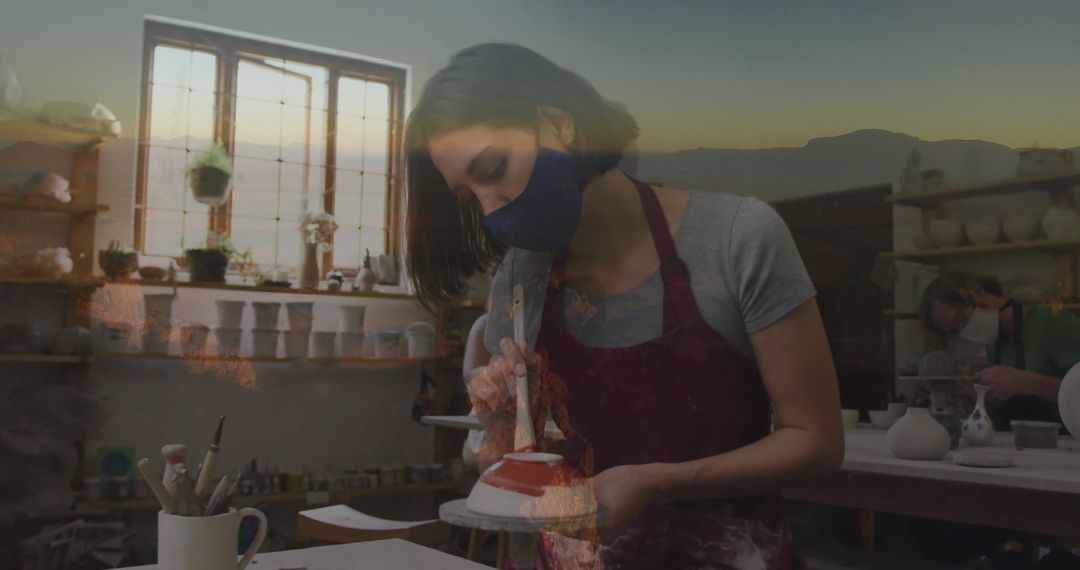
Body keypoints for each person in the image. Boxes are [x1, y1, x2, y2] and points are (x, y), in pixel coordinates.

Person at [404, 43, 843, 569]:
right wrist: (500, 428)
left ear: (557, 124)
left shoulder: (737, 239)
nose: (490, 207)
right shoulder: (519, 283)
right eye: (468, 196)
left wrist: (656, 481)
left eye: (494, 167)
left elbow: (816, 442)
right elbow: (511, 483)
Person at [920, 272, 1080, 430]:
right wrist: (975, 397)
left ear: (976, 292)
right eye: (955, 331)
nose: (963, 331)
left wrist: (1026, 383)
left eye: (958, 319)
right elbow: (1009, 419)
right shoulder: (994, 342)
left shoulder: (1052, 322)